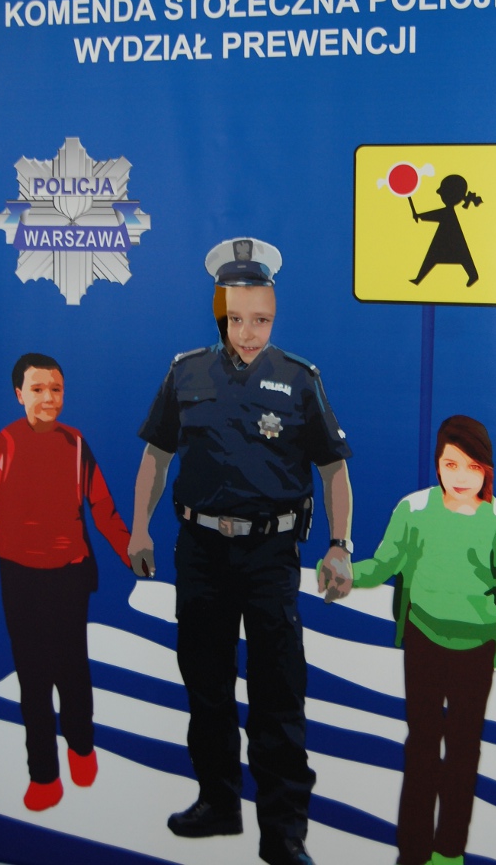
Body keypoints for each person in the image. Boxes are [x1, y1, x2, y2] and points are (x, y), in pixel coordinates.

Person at [129, 237, 353, 865]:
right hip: (200, 550)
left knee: (278, 692)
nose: (249, 333)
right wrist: (140, 528)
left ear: (274, 316)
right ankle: (218, 801)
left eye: (261, 320)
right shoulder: (185, 372)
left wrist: (339, 545)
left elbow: (334, 468)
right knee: (206, 683)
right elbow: (156, 455)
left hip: (270, 555)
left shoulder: (300, 378)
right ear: (219, 314)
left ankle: (283, 831)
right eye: (236, 319)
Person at [350, 415, 496, 865]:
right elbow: (384, 563)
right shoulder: (413, 509)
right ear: (437, 464)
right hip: (423, 639)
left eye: (472, 466)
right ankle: (412, 851)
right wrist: (343, 575)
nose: (461, 476)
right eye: (451, 464)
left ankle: (449, 851)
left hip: (477, 648)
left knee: (464, 750)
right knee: (422, 746)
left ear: (486, 468)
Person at [0, 353, 132, 811]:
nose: (49, 397)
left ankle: (81, 748)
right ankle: (44, 776)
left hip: (69, 575)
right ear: (19, 394)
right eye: (38, 389)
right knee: (33, 678)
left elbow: (101, 505)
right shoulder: (4, 444)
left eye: (56, 389)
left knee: (72, 670)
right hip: (20, 578)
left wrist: (129, 549)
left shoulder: (76, 443)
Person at [409, 174, 480, 287]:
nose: (438, 192)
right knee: (436, 256)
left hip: (449, 238)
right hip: (446, 237)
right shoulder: (448, 211)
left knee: (456, 256)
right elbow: (438, 214)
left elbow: (438, 214)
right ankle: (419, 279)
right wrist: (420, 216)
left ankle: (473, 275)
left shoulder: (447, 212)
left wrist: (420, 216)